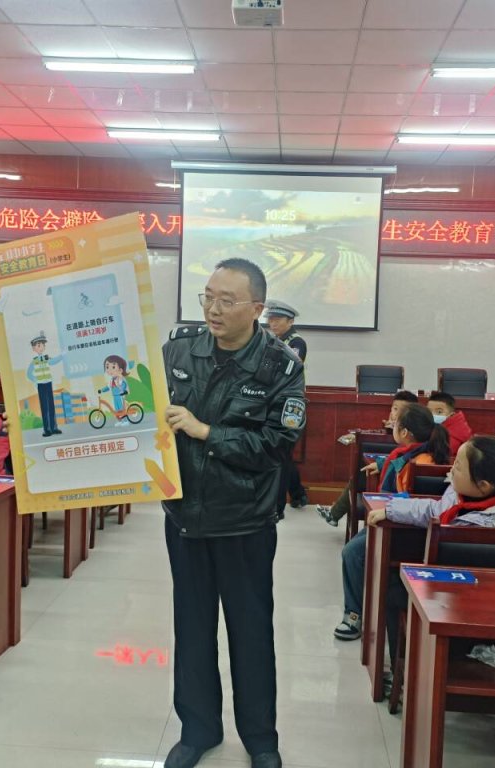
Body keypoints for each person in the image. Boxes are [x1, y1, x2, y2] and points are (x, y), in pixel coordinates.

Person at [161, 258, 304, 768]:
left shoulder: (280, 366)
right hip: (185, 518)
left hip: (245, 520)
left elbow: (276, 445)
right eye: (208, 297)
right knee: (192, 629)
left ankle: (261, 740)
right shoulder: (179, 350)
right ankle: (197, 729)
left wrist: (205, 432)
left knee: (251, 632)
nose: (213, 309)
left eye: (227, 300)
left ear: (256, 308)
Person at [373, 436, 495, 670]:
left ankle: (406, 670)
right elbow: (437, 510)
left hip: (461, 609)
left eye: (458, 466)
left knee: (393, 589)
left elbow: (438, 516)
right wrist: (393, 510)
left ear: (484, 485)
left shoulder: (478, 526)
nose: (451, 470)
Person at [333, 402, 451, 642]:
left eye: (395, 424)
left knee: (352, 553)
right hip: (405, 523)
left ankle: (354, 615)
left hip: (405, 530)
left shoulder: (418, 462)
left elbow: (409, 499)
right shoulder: (416, 453)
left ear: (405, 432)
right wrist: (382, 465)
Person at [316, 389, 419, 527]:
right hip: (389, 478)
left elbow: (403, 456)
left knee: (361, 473)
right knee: (361, 471)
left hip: (397, 489)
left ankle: (335, 513)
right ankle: (335, 513)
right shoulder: (391, 430)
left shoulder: (413, 436)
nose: (396, 414)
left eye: (402, 411)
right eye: (394, 409)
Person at [265, 300, 308, 511]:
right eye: (270, 319)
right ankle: (298, 493)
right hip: (273, 402)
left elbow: (285, 368)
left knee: (283, 452)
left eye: (277, 319)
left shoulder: (296, 342)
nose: (272, 323)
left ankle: (280, 504)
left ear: (290, 321)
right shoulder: (272, 340)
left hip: (289, 405)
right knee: (281, 453)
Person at [26, 331, 63, 438]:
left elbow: (53, 361)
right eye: (38, 345)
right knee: (44, 407)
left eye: (42, 345)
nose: (41, 347)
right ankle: (47, 429)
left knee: (51, 406)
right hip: (41, 385)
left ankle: (54, 428)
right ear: (34, 348)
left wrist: (62, 356)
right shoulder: (34, 361)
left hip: (48, 383)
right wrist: (35, 380)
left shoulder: (46, 358)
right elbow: (29, 373)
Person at [99, 354, 132, 426]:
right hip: (114, 396)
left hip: (120, 396)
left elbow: (124, 385)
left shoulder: (120, 379)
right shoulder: (112, 380)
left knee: (121, 409)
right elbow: (108, 387)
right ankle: (119, 421)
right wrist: (102, 390)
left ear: (120, 370)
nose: (110, 370)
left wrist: (122, 390)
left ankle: (125, 421)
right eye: (107, 367)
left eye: (113, 367)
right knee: (117, 409)